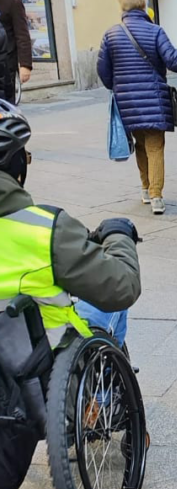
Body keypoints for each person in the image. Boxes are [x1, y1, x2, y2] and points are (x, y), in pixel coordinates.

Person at [0, 100, 142, 341]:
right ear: (15, 165)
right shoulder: (44, 231)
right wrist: (118, 236)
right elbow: (122, 287)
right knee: (112, 300)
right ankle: (106, 374)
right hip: (40, 367)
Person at [98, 0, 177, 216]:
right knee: (155, 146)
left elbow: (103, 71)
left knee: (141, 144)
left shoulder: (111, 34)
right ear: (143, 4)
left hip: (128, 101)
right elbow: (175, 61)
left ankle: (146, 188)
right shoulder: (155, 31)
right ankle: (156, 195)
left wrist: (118, 87)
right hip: (154, 99)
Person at [0, 0, 32, 103]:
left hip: (5, 64)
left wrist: (25, 65)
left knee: (5, 104)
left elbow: (22, 34)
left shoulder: (12, 0)